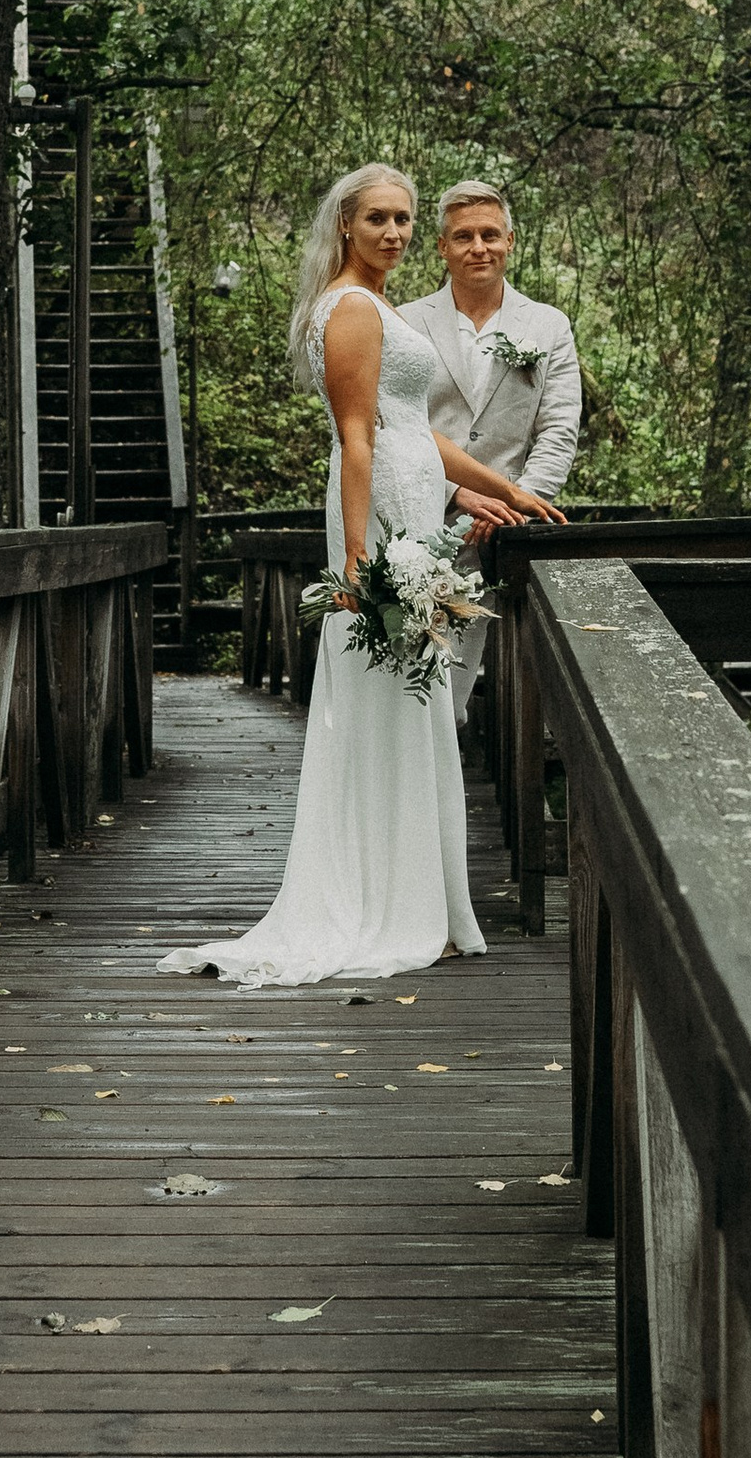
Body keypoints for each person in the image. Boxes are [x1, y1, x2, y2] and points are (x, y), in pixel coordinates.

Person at [164, 164, 563, 982]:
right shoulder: (349, 308)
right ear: (346, 224)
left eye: (405, 220)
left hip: (418, 502)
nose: (394, 233)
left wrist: (506, 487)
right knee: (390, 696)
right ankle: (388, 904)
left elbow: (415, 428)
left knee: (413, 704)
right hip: (382, 515)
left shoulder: (375, 305)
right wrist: (357, 560)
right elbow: (358, 438)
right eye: (378, 218)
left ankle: (426, 901)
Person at [398, 178, 580, 724]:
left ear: (511, 241)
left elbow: (558, 429)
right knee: (409, 685)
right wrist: (457, 491)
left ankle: (454, 792)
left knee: (462, 698)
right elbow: (395, 423)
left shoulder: (548, 325)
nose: (478, 247)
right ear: (441, 247)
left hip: (500, 538)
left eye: (490, 235)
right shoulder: (405, 322)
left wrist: (516, 503)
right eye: (463, 236)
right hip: (416, 521)